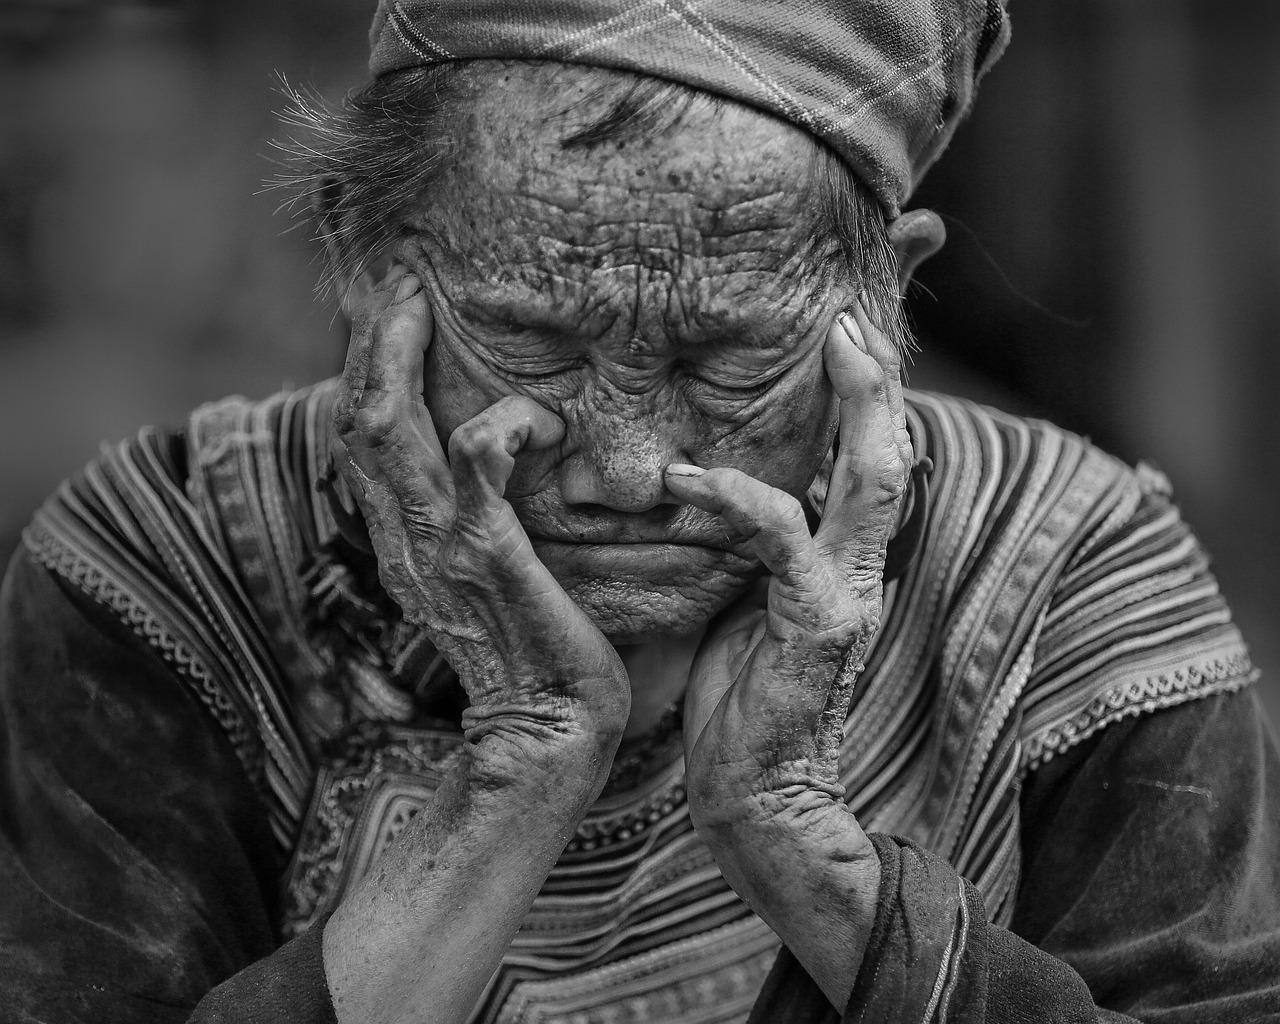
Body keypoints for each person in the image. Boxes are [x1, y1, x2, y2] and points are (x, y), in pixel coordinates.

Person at [3, 1, 1278, 1021]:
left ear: (884, 296)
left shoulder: (1068, 570)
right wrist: (523, 760)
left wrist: (793, 835)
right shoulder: (169, 560)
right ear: (362, 257)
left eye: (722, 362)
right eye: (529, 342)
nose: (621, 467)